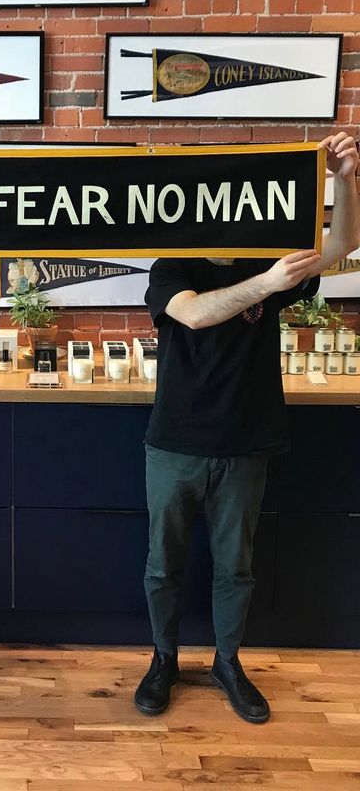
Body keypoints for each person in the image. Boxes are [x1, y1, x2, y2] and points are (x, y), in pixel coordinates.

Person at [135, 132, 360, 724]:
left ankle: (227, 663)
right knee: (164, 565)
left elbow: (342, 243)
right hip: (175, 443)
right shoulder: (173, 263)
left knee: (237, 567)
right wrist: (268, 284)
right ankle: (163, 659)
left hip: (247, 444)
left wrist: (344, 176)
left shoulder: (272, 254)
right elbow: (195, 313)